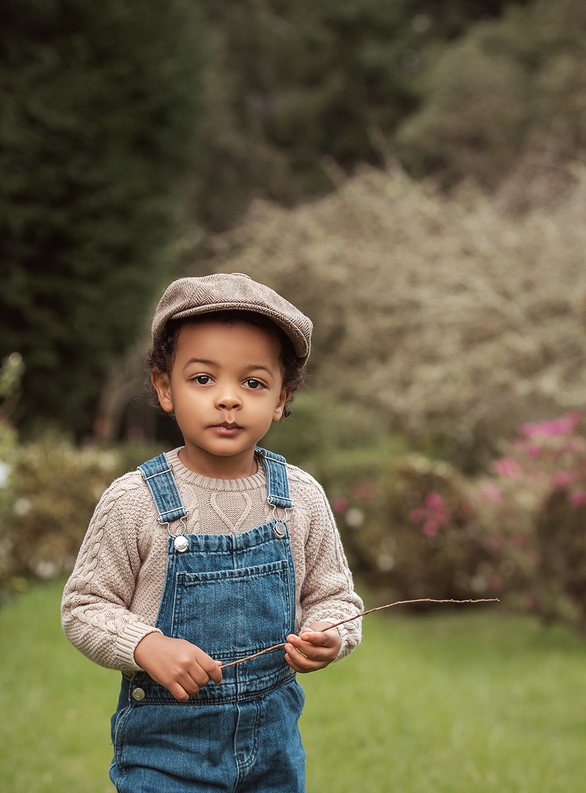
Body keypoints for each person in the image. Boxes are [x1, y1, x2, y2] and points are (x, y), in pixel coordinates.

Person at [61, 272, 363, 792]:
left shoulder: (300, 498)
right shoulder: (135, 502)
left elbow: (335, 596)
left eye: (253, 382)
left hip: (273, 755)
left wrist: (332, 635)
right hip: (166, 756)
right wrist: (145, 645)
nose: (228, 399)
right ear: (164, 388)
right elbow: (85, 606)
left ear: (282, 398)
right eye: (203, 379)